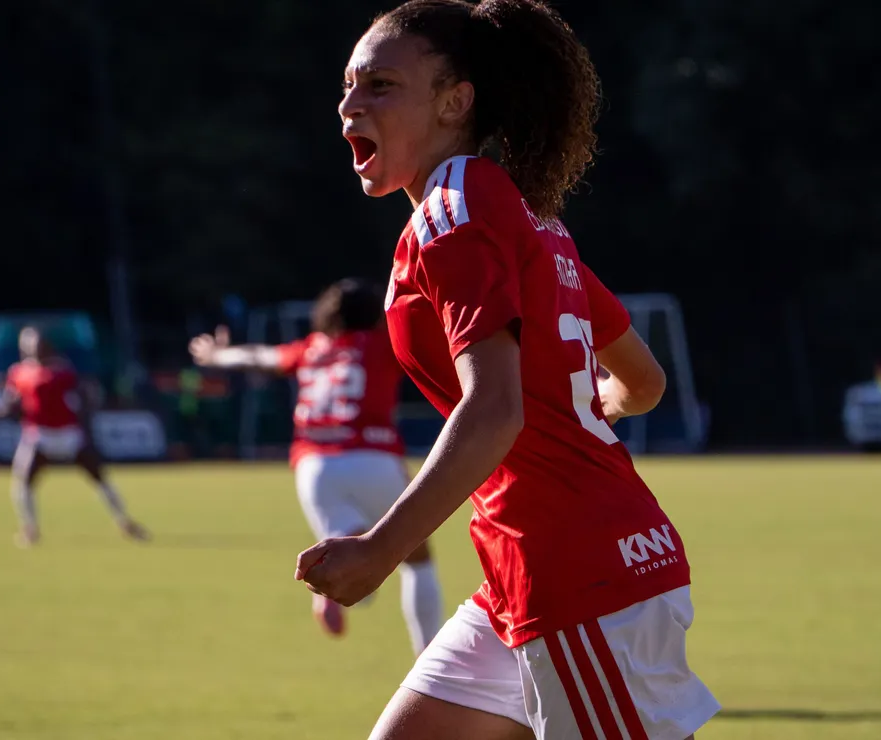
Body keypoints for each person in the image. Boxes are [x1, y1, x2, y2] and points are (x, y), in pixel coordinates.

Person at [294, 2, 720, 738]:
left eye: (382, 86)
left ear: (456, 101)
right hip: (531, 572)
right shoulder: (524, 213)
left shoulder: (455, 212)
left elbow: (494, 410)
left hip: (580, 575)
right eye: (348, 86)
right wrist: (574, 413)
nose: (351, 104)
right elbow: (641, 382)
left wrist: (380, 550)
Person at [189, 279, 443, 655]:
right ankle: (428, 657)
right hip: (373, 454)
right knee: (417, 559)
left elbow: (260, 357)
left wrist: (216, 356)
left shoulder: (310, 349)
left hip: (314, 465)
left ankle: (332, 579)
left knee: (346, 545)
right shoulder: (381, 343)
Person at [0, 326, 150, 548]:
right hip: (39, 435)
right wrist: (4, 408)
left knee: (100, 478)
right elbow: (11, 400)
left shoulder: (62, 371)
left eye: (36, 344)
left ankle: (124, 521)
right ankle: (30, 529)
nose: (33, 349)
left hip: (68, 434)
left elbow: (83, 395)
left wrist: (86, 416)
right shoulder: (18, 372)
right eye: (28, 345)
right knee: (23, 482)